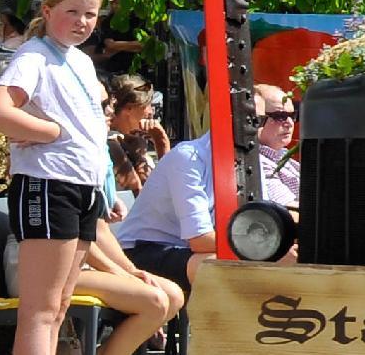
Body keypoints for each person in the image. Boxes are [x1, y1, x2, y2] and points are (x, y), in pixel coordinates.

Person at [0, 0, 164, 355]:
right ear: (47, 11)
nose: (83, 22)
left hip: (80, 190)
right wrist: (48, 132)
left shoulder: (80, 62)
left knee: (57, 309)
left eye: (90, 14)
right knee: (41, 312)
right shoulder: (33, 56)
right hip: (48, 186)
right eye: (72, 12)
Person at [114, 84, 302, 287]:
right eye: (248, 120)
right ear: (225, 118)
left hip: (189, 251)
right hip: (144, 252)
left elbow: (260, 220)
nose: (251, 127)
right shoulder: (188, 158)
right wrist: (268, 250)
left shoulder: (248, 162)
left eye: (258, 120)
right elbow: (200, 239)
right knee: (224, 267)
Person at [105, 75, 169, 201]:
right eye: (146, 105)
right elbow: (149, 198)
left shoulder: (133, 143)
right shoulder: (110, 142)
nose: (151, 112)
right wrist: (161, 141)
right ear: (129, 107)